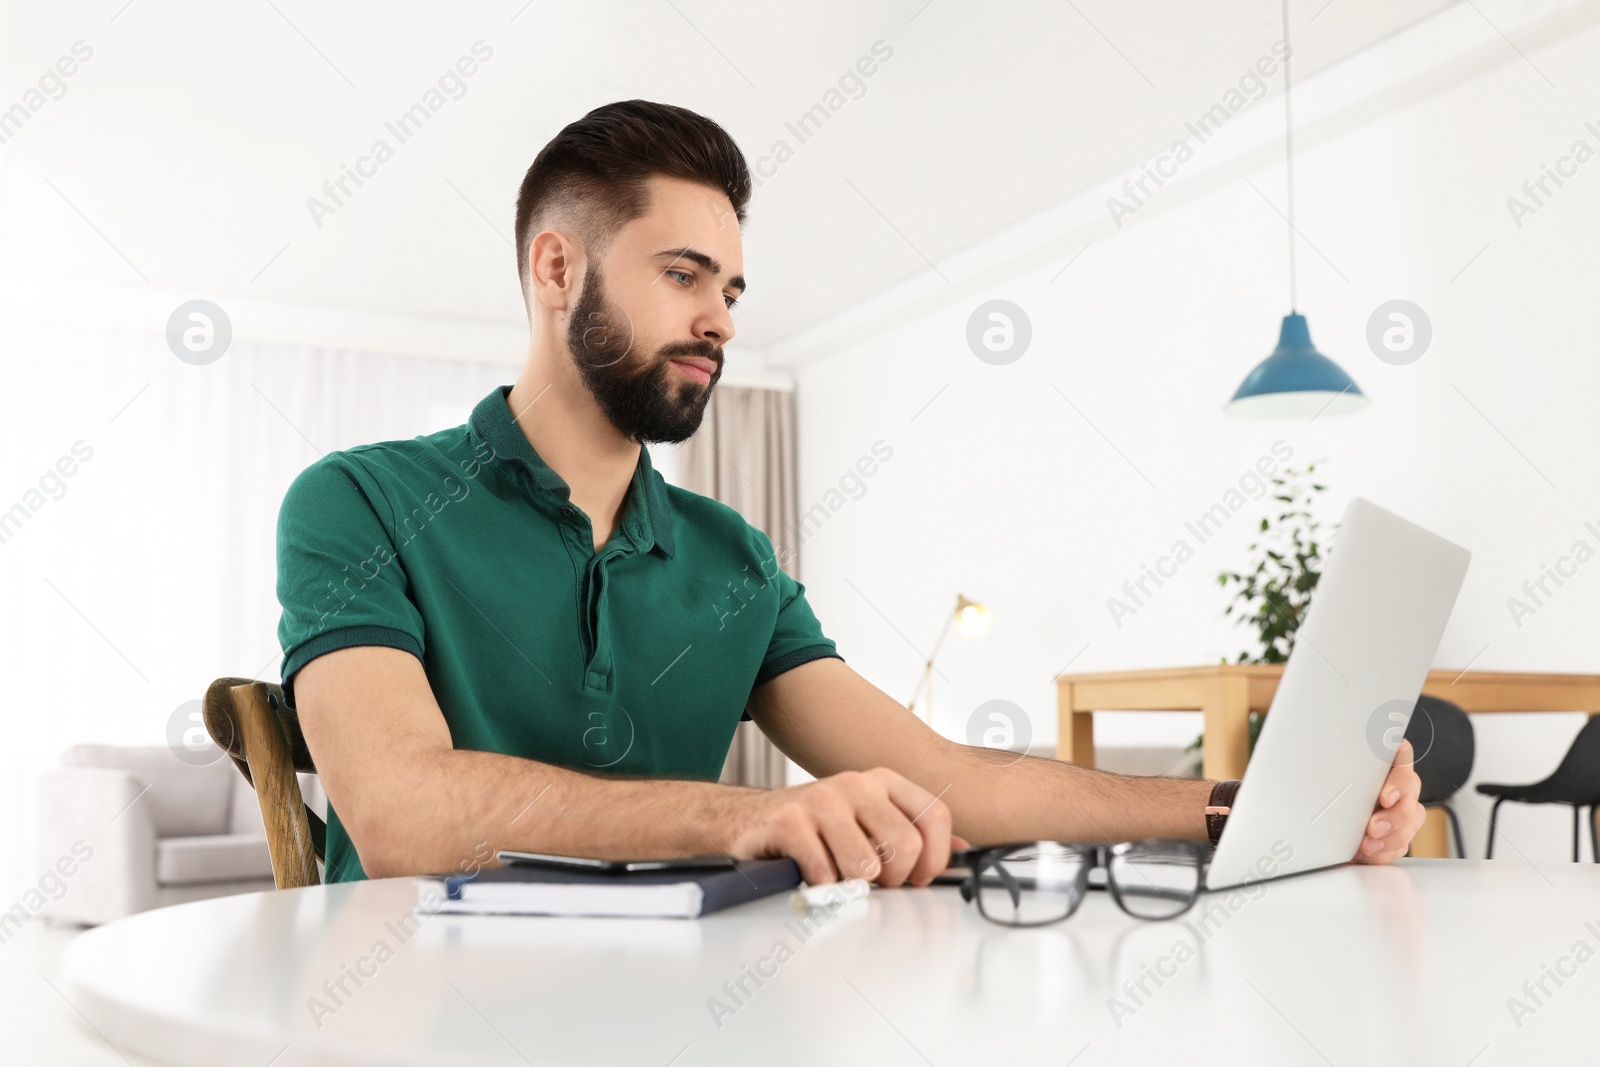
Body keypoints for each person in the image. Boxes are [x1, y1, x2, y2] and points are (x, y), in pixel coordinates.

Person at [276, 99, 1425, 887]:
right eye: (682, 275)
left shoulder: (733, 560)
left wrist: (1250, 803)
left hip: (658, 1011)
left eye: (730, 285)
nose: (720, 318)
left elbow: (954, 780)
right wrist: (744, 816)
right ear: (556, 267)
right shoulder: (357, 501)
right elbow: (402, 814)